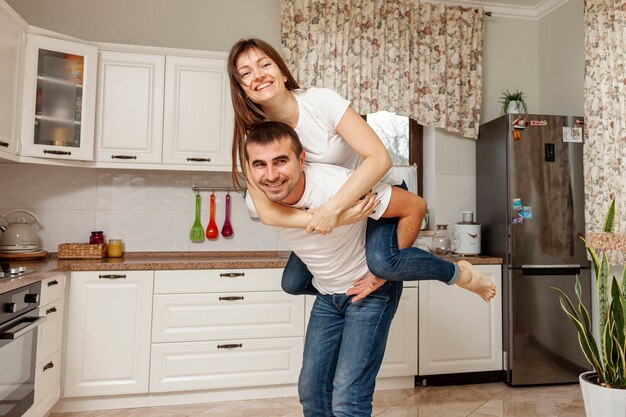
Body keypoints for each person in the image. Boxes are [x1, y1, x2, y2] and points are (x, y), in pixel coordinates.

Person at [243, 121, 494, 416]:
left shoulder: (339, 186)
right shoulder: (256, 202)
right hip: (328, 295)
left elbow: (415, 206)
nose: (271, 175)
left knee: (348, 400)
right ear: (249, 170)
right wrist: (335, 220)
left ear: (301, 160)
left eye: (280, 161)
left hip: (370, 290)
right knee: (312, 393)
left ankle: (458, 273)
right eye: (259, 164)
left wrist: (380, 274)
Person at [227, 38, 495, 301]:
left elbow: (379, 158)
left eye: (264, 65)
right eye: (246, 73)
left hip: (376, 194)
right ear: (241, 88)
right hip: (335, 215)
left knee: (383, 263)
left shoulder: (320, 102)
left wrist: (333, 211)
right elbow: (268, 212)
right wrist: (333, 219)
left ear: (283, 73)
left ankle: (460, 273)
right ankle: (343, 299)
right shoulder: (258, 139)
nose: (258, 76)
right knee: (294, 282)